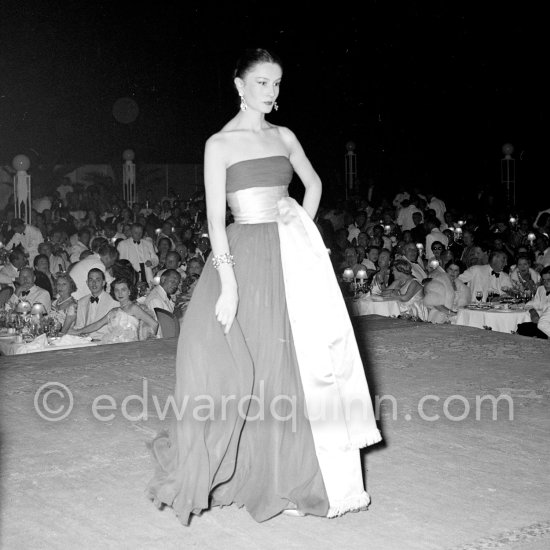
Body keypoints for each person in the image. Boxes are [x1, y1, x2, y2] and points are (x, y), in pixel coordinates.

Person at [146, 48, 381, 526]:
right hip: (240, 256)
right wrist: (228, 284)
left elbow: (312, 187)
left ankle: (290, 477)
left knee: (290, 364)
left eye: (276, 84)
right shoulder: (220, 144)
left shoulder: (285, 136)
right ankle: (233, 466)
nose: (271, 93)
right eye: (262, 83)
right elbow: (215, 220)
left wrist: (298, 230)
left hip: (288, 258)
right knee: (227, 360)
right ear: (240, 85)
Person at [71, 277, 158, 343]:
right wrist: (78, 331)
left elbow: (154, 324)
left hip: (131, 348)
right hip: (113, 344)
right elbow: (97, 324)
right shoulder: (114, 311)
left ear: (129, 291)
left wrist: (145, 343)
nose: (120, 293)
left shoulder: (134, 308)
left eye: (123, 290)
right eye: (116, 290)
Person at [73, 268, 120, 340]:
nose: (94, 283)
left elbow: (116, 329)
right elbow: (79, 326)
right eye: (91, 280)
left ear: (103, 283)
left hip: (104, 341)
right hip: (84, 341)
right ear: (87, 282)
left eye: (97, 280)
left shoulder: (114, 302)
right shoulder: (81, 301)